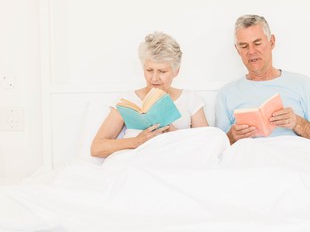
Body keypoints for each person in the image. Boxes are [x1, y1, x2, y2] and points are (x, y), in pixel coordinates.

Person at [91, 31, 209, 158]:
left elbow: (208, 146)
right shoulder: (127, 100)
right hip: (133, 164)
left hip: (173, 164)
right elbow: (96, 148)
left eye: (162, 71)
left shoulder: (191, 100)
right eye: (149, 70)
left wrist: (175, 136)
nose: (154, 78)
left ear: (176, 71)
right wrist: (136, 141)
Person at [215, 14, 310, 145]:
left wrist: (298, 123)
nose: (251, 51)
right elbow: (217, 147)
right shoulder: (226, 93)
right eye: (244, 46)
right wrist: (231, 137)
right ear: (237, 49)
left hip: (290, 155)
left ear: (272, 42)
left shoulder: (303, 84)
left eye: (257, 43)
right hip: (248, 158)